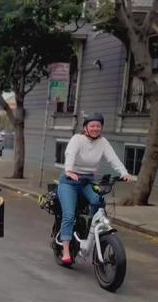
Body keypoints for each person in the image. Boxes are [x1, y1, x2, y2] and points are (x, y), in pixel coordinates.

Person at [57, 113, 133, 265]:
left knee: (99, 202)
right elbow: (70, 153)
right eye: (92, 125)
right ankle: (65, 250)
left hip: (88, 181)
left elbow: (112, 158)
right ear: (85, 127)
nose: (95, 128)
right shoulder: (77, 139)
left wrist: (123, 172)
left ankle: (90, 234)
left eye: (98, 126)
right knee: (69, 215)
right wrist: (69, 170)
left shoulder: (103, 142)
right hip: (69, 182)